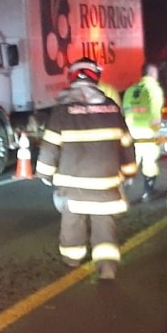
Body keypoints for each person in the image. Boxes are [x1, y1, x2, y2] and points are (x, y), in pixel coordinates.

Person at [35, 57, 139, 281]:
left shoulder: (62, 111)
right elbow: (126, 144)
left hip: (73, 187)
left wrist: (44, 172)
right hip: (106, 185)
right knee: (105, 224)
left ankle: (73, 259)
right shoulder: (111, 108)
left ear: (72, 78)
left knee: (72, 223)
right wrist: (130, 172)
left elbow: (50, 146)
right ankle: (107, 265)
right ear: (96, 79)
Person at [122, 63, 165, 201]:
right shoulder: (154, 89)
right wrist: (157, 134)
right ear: (153, 74)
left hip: (132, 132)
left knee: (131, 163)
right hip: (148, 132)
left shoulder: (131, 90)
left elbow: (126, 111)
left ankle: (122, 192)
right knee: (149, 162)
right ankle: (148, 193)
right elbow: (155, 113)